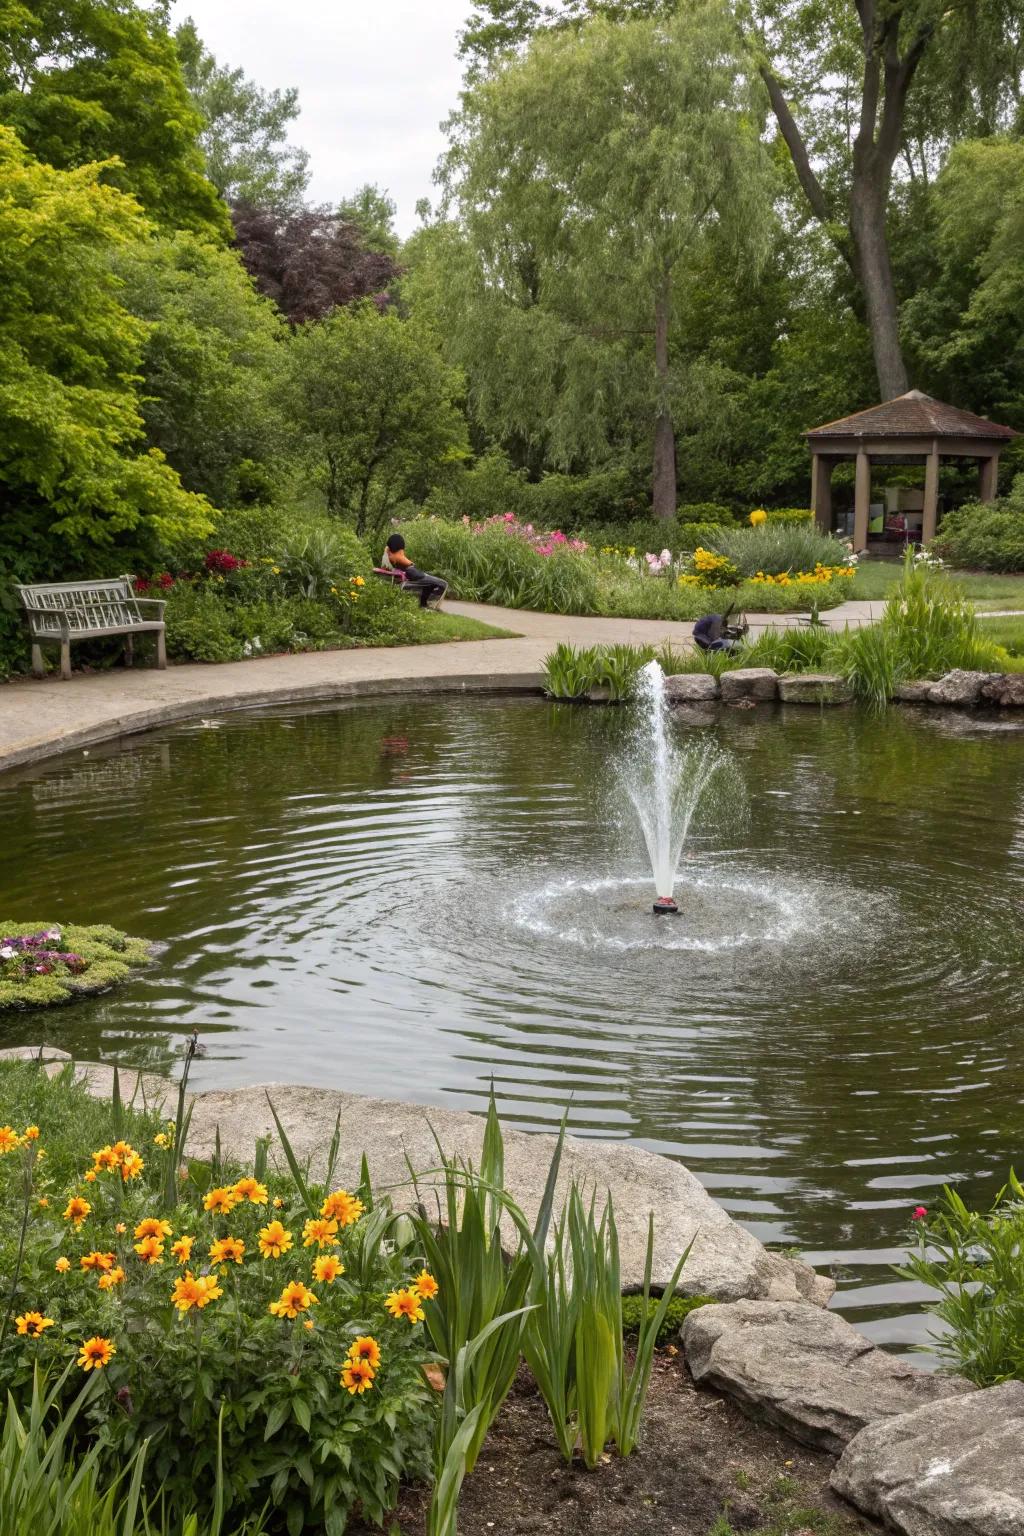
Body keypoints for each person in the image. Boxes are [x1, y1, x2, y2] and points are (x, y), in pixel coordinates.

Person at [380, 533, 448, 609]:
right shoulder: (396, 556)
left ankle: (424, 604)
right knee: (443, 584)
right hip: (411, 573)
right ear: (401, 546)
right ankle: (429, 605)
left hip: (411, 573)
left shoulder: (388, 555)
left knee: (430, 582)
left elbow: (385, 565)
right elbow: (408, 564)